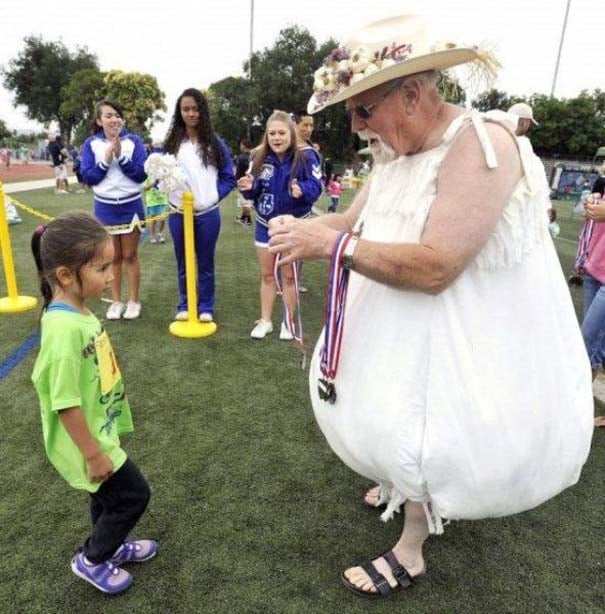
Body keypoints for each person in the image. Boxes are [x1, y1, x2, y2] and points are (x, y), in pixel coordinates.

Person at [268, 15, 593, 599]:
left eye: (361, 109)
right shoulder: (393, 154)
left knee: (429, 420)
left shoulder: (482, 144)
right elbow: (350, 222)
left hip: (453, 326)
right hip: (394, 316)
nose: (354, 124)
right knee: (391, 407)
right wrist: (308, 230)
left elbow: (439, 265)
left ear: (411, 94)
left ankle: (410, 549)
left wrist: (333, 245)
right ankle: (400, 485)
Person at [30, 212, 157, 595]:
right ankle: (92, 558)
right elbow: (64, 403)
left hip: (98, 428)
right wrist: (93, 454)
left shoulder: (77, 311)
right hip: (87, 441)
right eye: (102, 268)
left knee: (105, 496)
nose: (111, 275)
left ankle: (110, 545)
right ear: (66, 275)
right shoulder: (63, 331)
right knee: (134, 495)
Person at [238, 110, 322, 339]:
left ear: (291, 134)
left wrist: (302, 190)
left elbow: (317, 187)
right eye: (272, 133)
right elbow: (255, 190)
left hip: (294, 226)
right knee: (266, 275)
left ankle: (289, 321)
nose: (276, 138)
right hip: (265, 224)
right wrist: (248, 186)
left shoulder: (307, 157)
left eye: (282, 133)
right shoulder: (258, 156)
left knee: (289, 276)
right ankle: (265, 320)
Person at [163, 88, 235, 323]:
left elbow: (228, 177)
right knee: (183, 261)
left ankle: (206, 306)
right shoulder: (172, 143)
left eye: (195, 109)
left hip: (207, 214)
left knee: (205, 262)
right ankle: (185, 303)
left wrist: (214, 196)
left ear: (202, 111)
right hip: (178, 214)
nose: (191, 113)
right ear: (179, 112)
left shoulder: (214, 143)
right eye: (186, 109)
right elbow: (160, 174)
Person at [80, 99, 147, 321]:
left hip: (131, 205)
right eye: (108, 115)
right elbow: (88, 177)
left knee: (130, 255)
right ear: (99, 121)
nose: (114, 119)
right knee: (113, 257)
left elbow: (141, 174)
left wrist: (121, 158)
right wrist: (106, 160)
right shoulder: (91, 144)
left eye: (117, 115)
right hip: (105, 207)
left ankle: (133, 301)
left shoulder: (134, 141)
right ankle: (117, 301)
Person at [574, 166, 605, 426]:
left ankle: (570, 402)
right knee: (595, 345)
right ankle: (578, 404)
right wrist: (592, 204)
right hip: (596, 266)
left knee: (586, 337)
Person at [507, 102, 557, 224]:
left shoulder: (495, 143)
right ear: (525, 122)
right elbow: (540, 187)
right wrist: (547, 207)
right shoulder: (528, 154)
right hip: (520, 216)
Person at [143, 177, 168, 243]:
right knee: (153, 220)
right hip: (152, 201)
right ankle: (152, 236)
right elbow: (145, 188)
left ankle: (160, 234)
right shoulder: (147, 175)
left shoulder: (162, 174)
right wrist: (153, 183)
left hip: (162, 200)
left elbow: (168, 185)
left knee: (163, 219)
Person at [235, 139, 254, 226]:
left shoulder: (242, 157)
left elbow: (239, 171)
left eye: (241, 145)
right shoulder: (254, 155)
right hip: (252, 180)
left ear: (244, 146)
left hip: (243, 181)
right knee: (246, 200)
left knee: (245, 201)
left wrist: (236, 180)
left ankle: (248, 220)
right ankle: (243, 218)